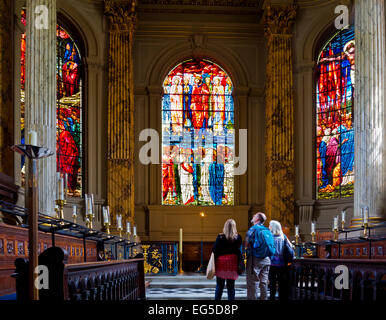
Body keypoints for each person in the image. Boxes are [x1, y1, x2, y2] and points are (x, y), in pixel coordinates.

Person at [244, 212, 274, 300]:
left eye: (254, 216)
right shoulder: (267, 230)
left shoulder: (252, 229)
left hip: (255, 259)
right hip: (267, 259)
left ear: (257, 219)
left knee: (252, 283)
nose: (253, 216)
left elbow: (246, 244)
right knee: (264, 282)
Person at [212, 219, 243, 300]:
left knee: (219, 286)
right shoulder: (238, 237)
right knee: (231, 287)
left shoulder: (220, 236)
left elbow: (214, 250)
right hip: (232, 263)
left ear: (225, 226)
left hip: (221, 263)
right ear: (234, 227)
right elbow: (238, 249)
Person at [268, 220, 291, 300]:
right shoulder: (283, 236)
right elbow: (290, 247)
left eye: (270, 225)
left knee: (272, 283)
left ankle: (272, 298)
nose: (268, 227)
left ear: (273, 227)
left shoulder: (269, 236)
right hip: (282, 263)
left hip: (272, 263)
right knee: (281, 283)